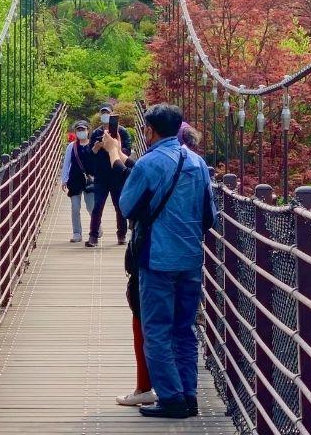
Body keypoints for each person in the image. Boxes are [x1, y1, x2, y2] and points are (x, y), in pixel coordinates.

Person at [115, 103, 217, 420]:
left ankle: (171, 399)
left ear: (150, 130)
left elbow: (127, 206)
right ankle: (189, 396)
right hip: (190, 258)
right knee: (184, 330)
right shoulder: (199, 163)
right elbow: (209, 216)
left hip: (157, 258)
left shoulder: (147, 164)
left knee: (157, 330)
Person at [86, 104, 132, 247]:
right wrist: (97, 147)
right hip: (101, 175)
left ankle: (122, 234)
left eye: (107, 113)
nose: (105, 116)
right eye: (103, 113)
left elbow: (128, 151)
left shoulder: (122, 132)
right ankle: (93, 236)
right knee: (98, 206)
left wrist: (114, 147)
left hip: (118, 174)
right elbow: (90, 154)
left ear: (112, 114)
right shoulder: (96, 133)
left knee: (119, 206)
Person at [60, 120, 95, 243]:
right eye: (79, 130)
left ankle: (96, 227)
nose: (81, 132)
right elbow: (66, 164)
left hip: (90, 180)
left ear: (88, 130)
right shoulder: (72, 146)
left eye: (83, 130)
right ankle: (77, 233)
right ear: (76, 132)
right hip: (74, 180)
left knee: (91, 207)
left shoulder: (93, 145)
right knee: (75, 207)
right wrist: (64, 180)